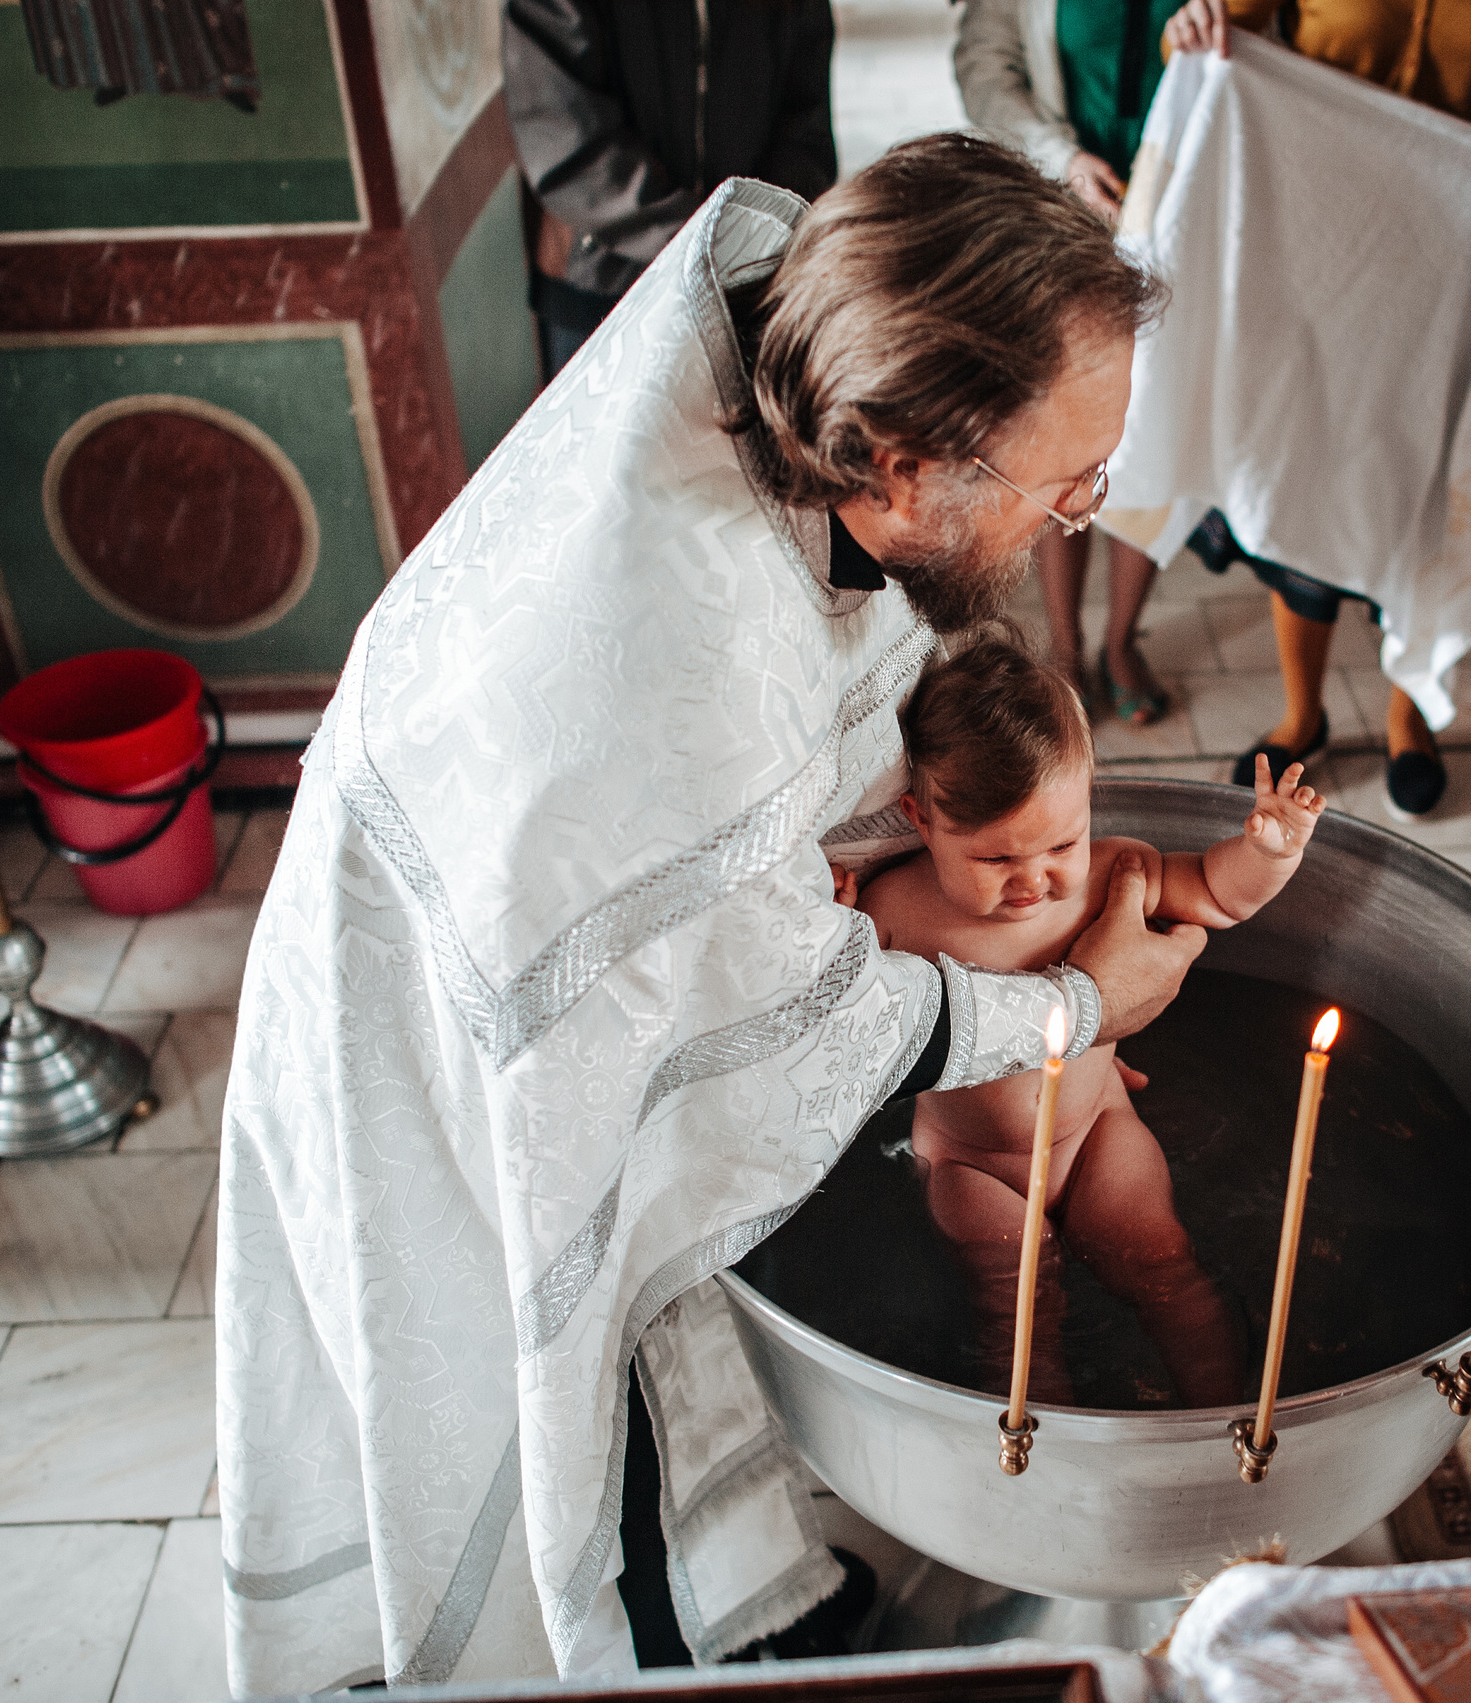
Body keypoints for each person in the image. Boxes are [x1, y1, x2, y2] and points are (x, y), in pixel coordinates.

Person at [218, 136, 1211, 1692]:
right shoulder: (686, 662)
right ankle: (674, 1659)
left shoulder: (787, 350)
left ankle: (740, 1600)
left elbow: (841, 708)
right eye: (1065, 480)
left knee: (664, 1347)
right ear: (902, 464)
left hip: (515, 860)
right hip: (453, 1020)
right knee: (570, 1381)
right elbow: (795, 1010)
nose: (1076, 518)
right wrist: (1083, 1006)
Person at [1163, 0, 1471, 818]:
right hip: (1318, 249)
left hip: (1455, 259)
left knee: (1428, 488)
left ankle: (1410, 713)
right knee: (1304, 472)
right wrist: (1188, 28)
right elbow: (1217, 31)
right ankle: (1303, 713)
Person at [852, 635, 1323, 1407]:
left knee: (1164, 1266)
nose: (1034, 879)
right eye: (996, 859)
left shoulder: (1111, 873)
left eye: (1061, 842)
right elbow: (841, 1016)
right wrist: (830, 911)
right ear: (921, 819)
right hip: (972, 1162)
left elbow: (1215, 893)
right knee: (1017, 1306)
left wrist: (1267, 853)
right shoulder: (894, 910)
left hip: (1097, 1131)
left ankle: (1224, 1414)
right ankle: (1046, 1436)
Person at [956, 0, 1189, 723]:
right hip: (1060, 221)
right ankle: (1065, 643)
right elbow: (985, 70)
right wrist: (1062, 160)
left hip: (1178, 224)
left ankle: (1121, 640)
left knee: (1155, 432)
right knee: (1061, 434)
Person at [504, 0, 838, 378]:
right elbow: (565, 140)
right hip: (605, 289)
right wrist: (713, 245)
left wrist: (759, 242)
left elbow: (804, 122)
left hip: (750, 291)